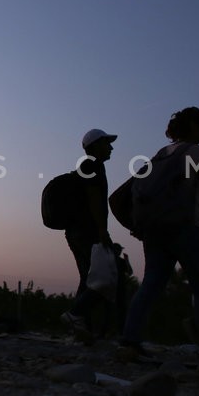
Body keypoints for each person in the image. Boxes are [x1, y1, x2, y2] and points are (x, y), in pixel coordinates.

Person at [121, 107, 199, 362]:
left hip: (154, 230)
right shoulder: (195, 151)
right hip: (186, 227)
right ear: (193, 125)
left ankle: (130, 338)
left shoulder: (161, 154)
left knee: (150, 284)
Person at [59, 128, 117, 338]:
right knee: (102, 280)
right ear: (94, 146)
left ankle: (82, 327)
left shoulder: (87, 166)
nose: (110, 147)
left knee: (88, 278)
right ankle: (76, 314)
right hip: (87, 231)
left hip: (77, 231)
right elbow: (94, 198)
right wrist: (103, 231)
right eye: (106, 143)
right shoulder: (92, 166)